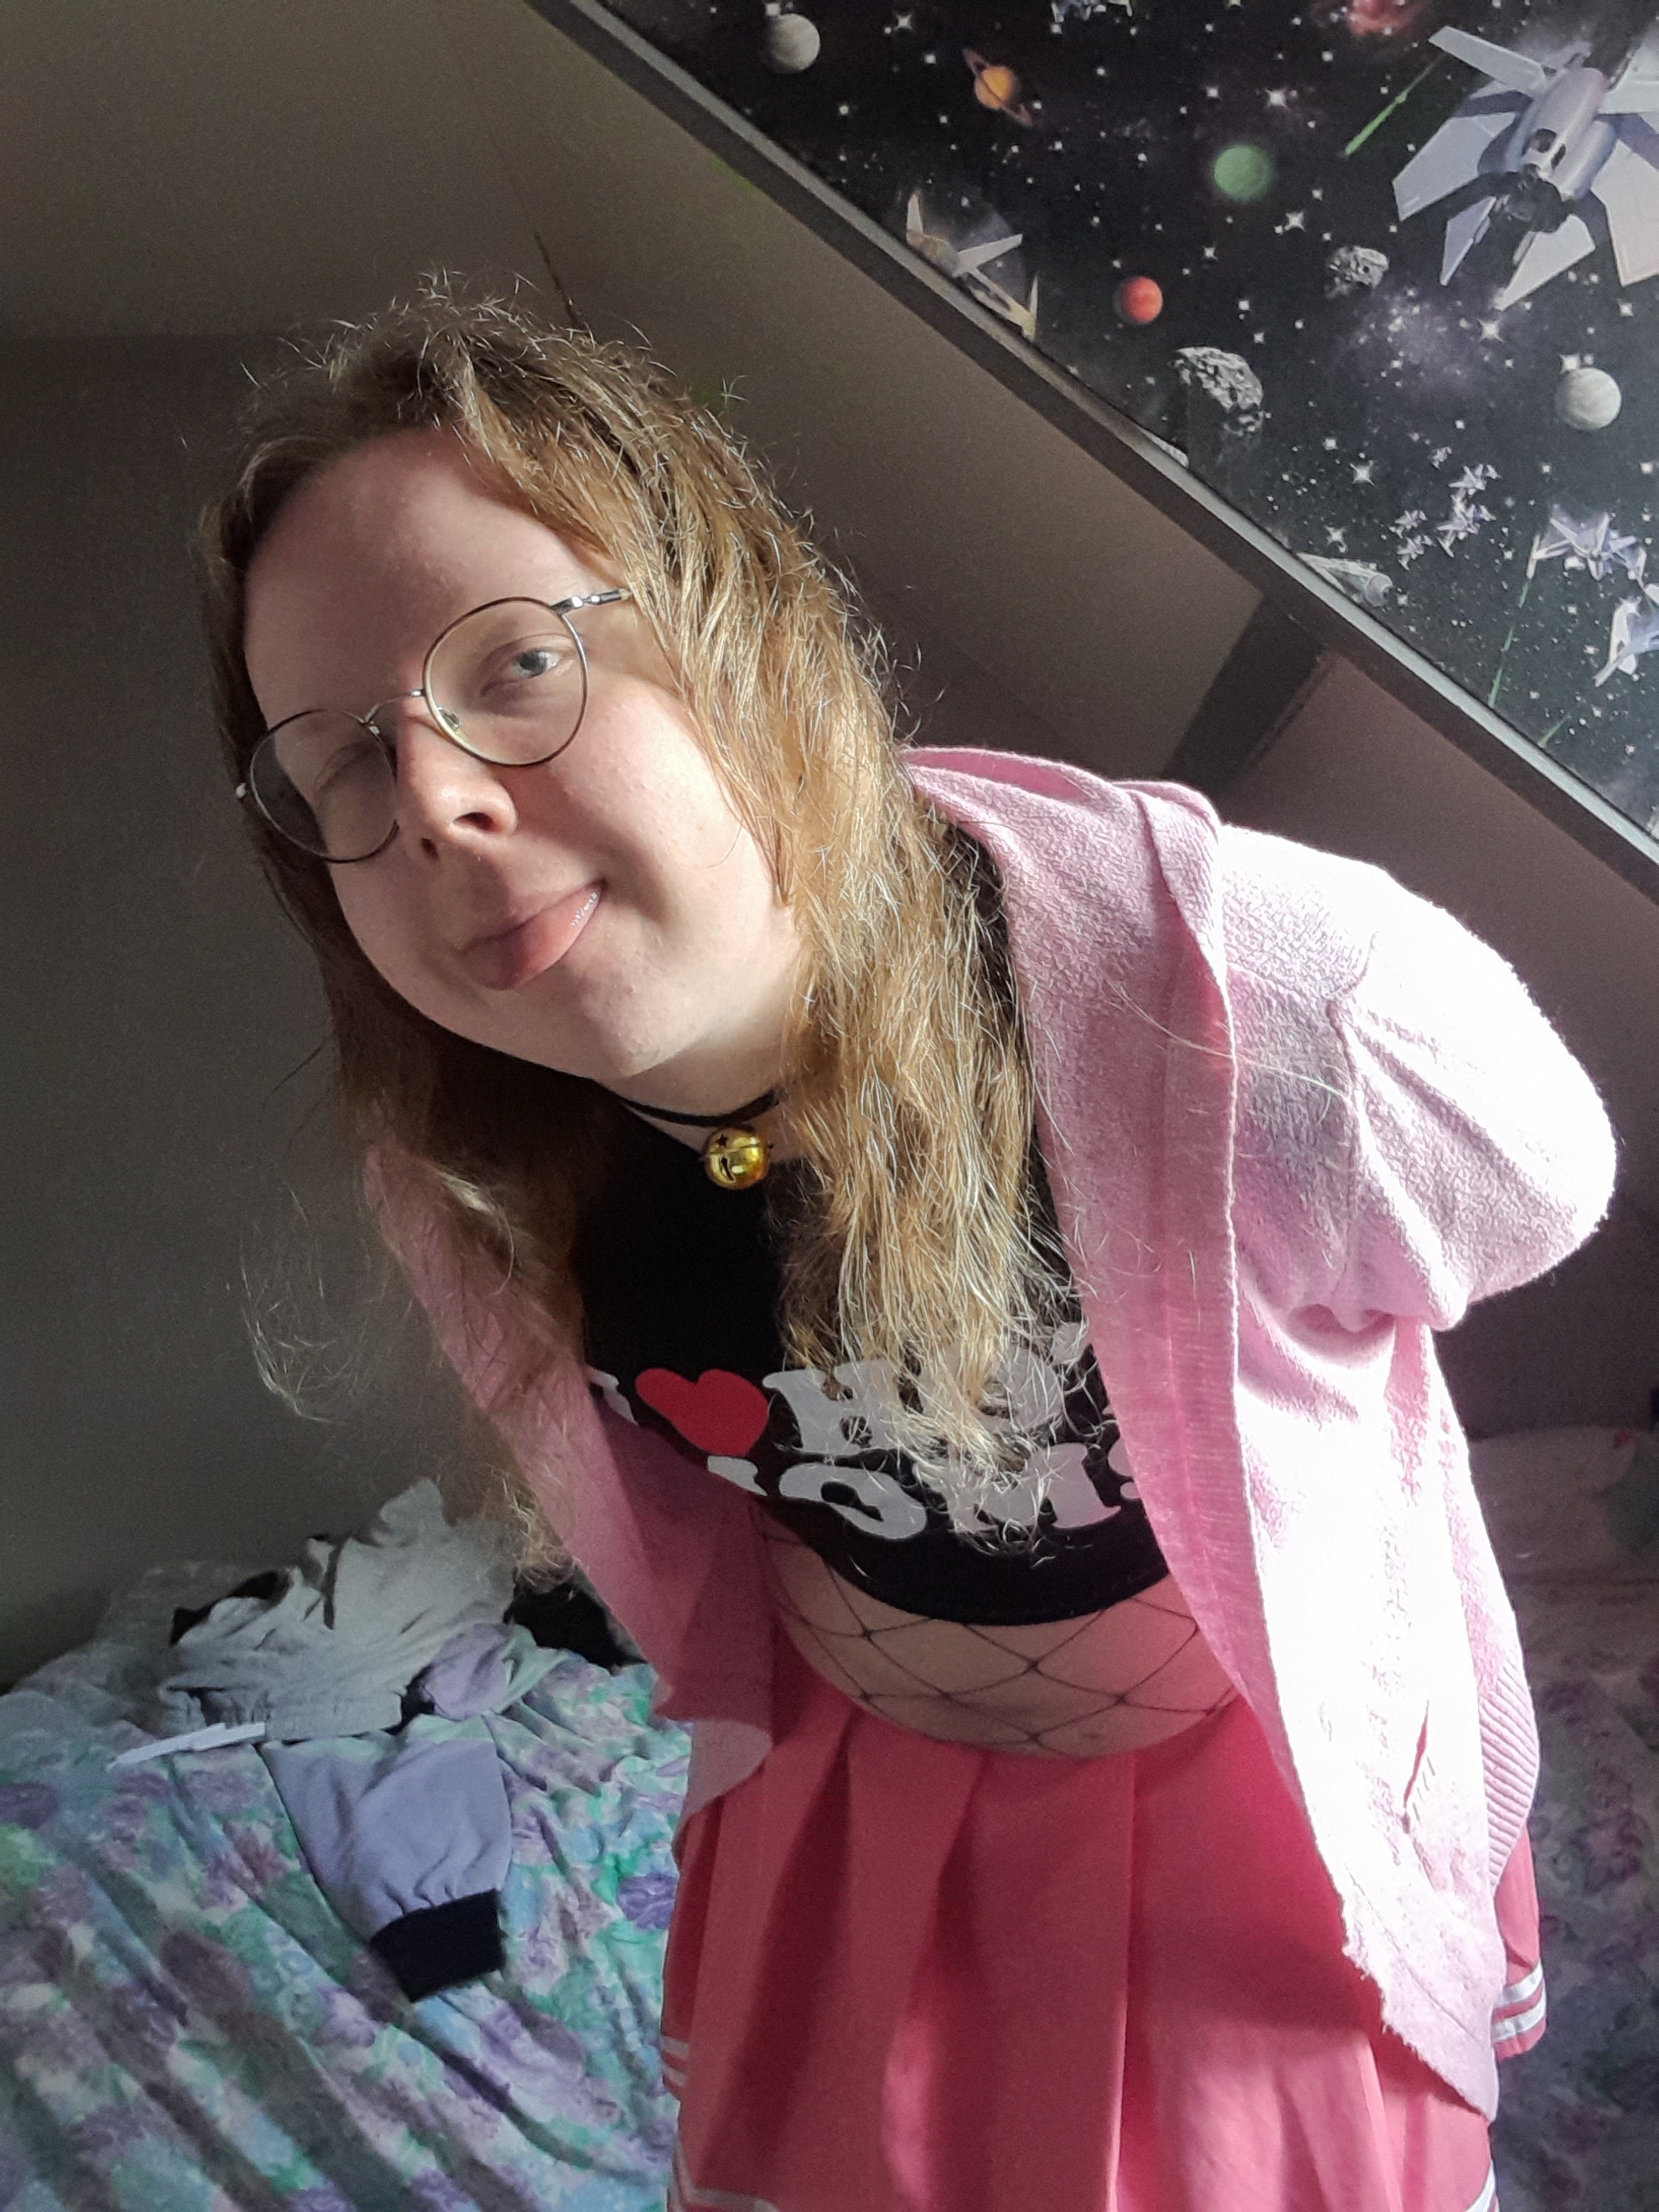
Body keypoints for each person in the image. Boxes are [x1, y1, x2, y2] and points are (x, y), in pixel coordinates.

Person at [203, 285, 1617, 2212]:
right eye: (348, 762)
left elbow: (1542, 1185)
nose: (437, 800)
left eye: (515, 663)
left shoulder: (1271, 1017)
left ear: (740, 634)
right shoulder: (472, 1171)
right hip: (857, 1809)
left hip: (1250, 1823)